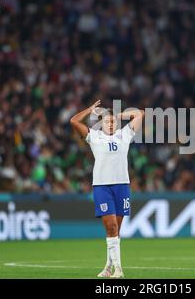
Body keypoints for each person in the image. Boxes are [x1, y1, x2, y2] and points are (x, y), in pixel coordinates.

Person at [70, 100, 144, 278]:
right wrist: (89, 110)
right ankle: (119, 269)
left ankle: (108, 267)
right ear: (100, 124)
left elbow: (140, 113)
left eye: (112, 122)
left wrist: (118, 115)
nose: (110, 124)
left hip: (122, 186)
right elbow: (74, 121)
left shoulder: (124, 134)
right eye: (106, 121)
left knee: (115, 231)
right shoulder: (94, 136)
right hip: (102, 187)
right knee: (110, 227)